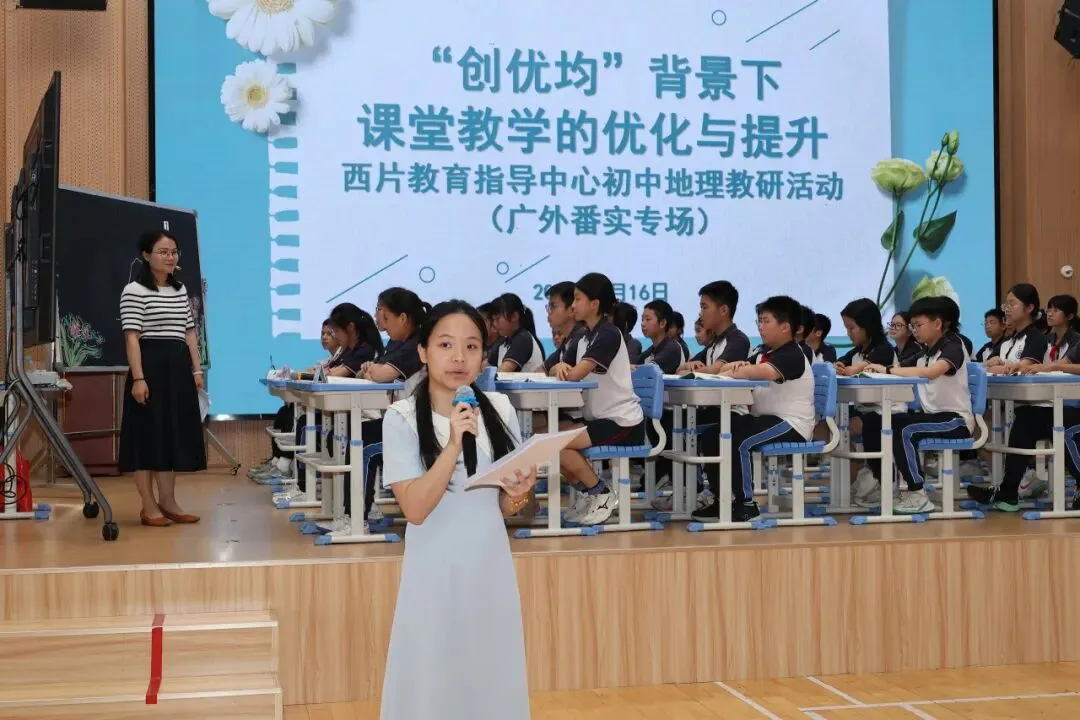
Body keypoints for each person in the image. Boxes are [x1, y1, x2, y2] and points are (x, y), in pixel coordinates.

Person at [380, 300, 536, 720]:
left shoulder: (499, 409)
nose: (459, 358)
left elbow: (504, 506)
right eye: (445, 345)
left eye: (471, 347)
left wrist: (519, 492)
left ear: (483, 356)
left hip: (489, 564)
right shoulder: (401, 418)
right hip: (433, 569)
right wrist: (452, 445)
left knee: (490, 672)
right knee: (431, 677)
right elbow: (415, 509)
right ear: (423, 352)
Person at [692, 296, 815, 522]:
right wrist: (738, 369)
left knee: (738, 439)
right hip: (766, 419)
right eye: (759, 321)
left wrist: (741, 369)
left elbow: (760, 372)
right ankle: (722, 501)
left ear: (785, 327)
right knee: (713, 434)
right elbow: (732, 368)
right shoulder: (763, 352)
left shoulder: (792, 354)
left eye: (766, 321)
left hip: (791, 424)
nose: (760, 327)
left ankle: (746, 505)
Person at [118, 230, 206, 526]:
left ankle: (169, 502)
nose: (170, 257)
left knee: (170, 437)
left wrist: (196, 370)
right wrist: (139, 379)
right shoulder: (134, 290)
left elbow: (189, 332)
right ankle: (148, 506)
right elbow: (132, 338)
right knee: (147, 439)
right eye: (163, 252)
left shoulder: (180, 289)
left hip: (177, 369)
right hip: (150, 368)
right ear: (146, 255)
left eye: (174, 252)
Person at [551, 272, 647, 526]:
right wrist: (559, 366)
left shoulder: (608, 334)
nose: (573, 305)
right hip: (600, 419)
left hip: (622, 422)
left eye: (578, 299)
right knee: (548, 439)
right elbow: (555, 368)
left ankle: (601, 494)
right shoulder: (584, 336)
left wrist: (564, 369)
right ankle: (590, 494)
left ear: (594, 304)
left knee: (556, 444)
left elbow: (576, 374)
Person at [865, 296, 974, 514]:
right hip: (935, 417)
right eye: (912, 326)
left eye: (917, 325)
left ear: (938, 323)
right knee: (884, 422)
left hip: (956, 421)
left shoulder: (953, 346)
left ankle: (917, 493)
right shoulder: (926, 351)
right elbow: (899, 368)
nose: (914, 330)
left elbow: (931, 372)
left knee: (904, 429)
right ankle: (891, 486)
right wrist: (871, 368)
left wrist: (887, 370)